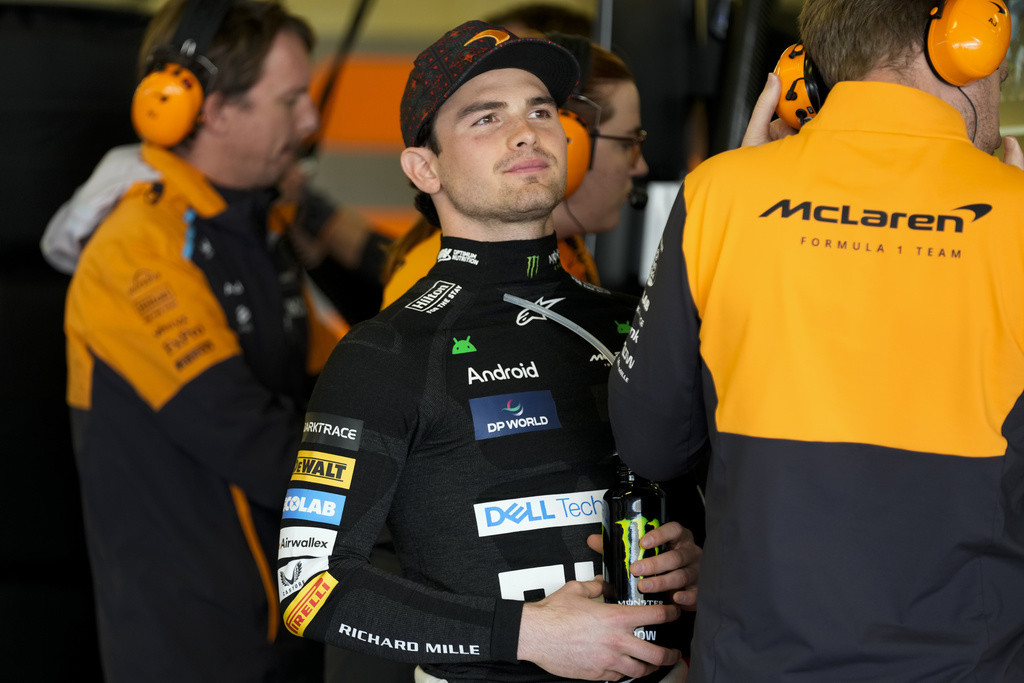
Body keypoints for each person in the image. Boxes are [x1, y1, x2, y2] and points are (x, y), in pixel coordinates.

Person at [608, 0, 1024, 681]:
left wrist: (738, 195)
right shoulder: (1016, 216)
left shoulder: (719, 194)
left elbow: (651, 442)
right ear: (967, 41)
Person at [276, 20, 702, 683]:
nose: (526, 130)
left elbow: (711, 513)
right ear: (426, 168)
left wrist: (699, 559)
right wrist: (525, 633)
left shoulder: (632, 325)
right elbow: (309, 588)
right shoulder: (386, 352)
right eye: (485, 118)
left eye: (541, 110)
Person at [47, 0, 342, 679]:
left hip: (288, 625)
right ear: (206, 109)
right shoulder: (137, 252)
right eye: (291, 99)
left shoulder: (254, 224)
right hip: (195, 650)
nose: (310, 122)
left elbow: (342, 375)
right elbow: (255, 441)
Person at [379, 34, 647, 307]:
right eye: (628, 144)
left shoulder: (570, 257)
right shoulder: (425, 287)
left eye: (540, 114)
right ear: (573, 142)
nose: (528, 135)